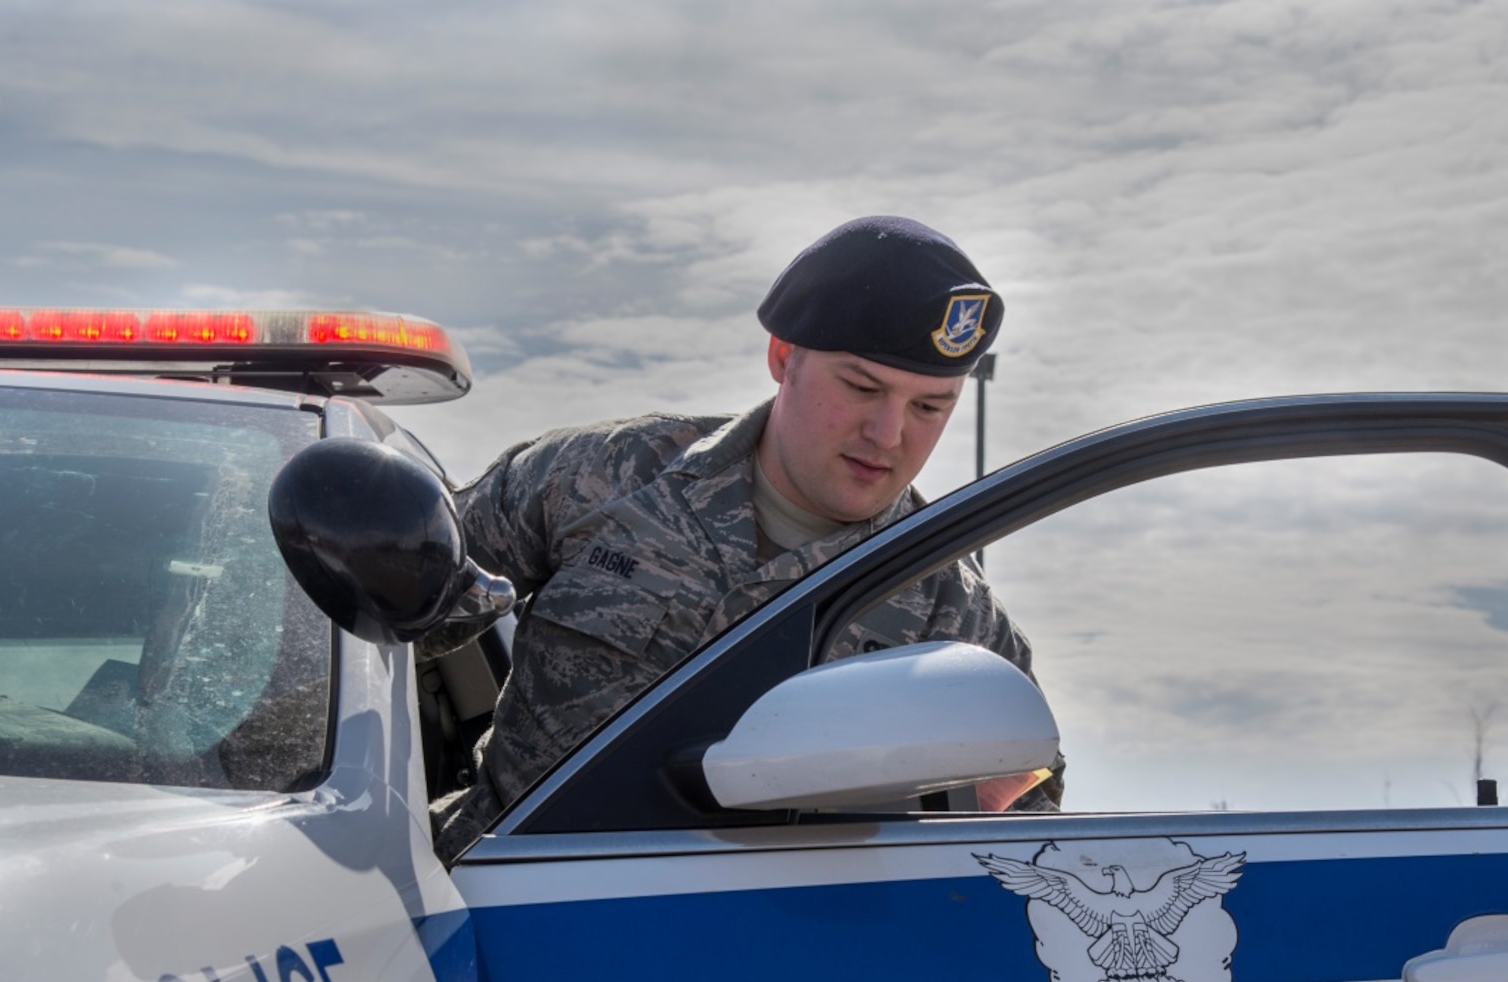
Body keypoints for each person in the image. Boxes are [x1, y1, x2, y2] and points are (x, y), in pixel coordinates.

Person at [428, 215, 1054, 861]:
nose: (889, 434)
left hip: (756, 941)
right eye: (862, 388)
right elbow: (402, 618)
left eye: (931, 407)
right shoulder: (598, 478)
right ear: (784, 357)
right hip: (489, 904)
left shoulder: (953, 617)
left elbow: (1011, 837)